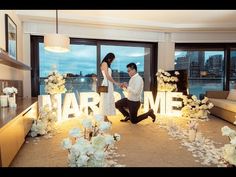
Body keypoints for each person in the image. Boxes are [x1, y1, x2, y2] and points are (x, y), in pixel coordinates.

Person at [99, 53, 120, 123]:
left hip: (107, 83)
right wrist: (115, 82)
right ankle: (104, 118)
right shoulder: (104, 63)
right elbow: (107, 76)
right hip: (106, 83)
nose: (112, 61)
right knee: (105, 100)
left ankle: (105, 118)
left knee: (106, 100)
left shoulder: (105, 64)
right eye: (112, 59)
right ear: (109, 58)